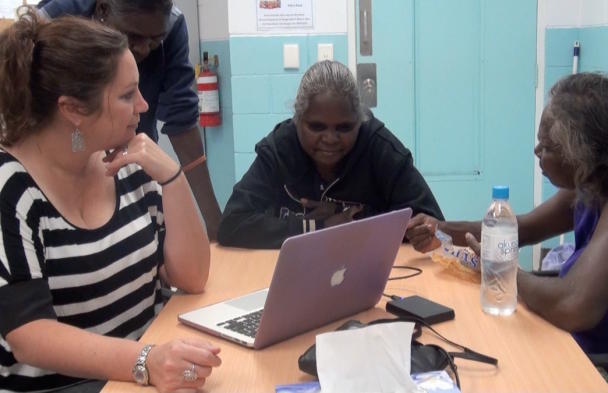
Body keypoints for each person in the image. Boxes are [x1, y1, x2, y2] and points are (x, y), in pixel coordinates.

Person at [405, 72, 608, 386]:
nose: (536, 152)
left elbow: (571, 306)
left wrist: (501, 271)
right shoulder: (598, 180)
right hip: (585, 347)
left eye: (547, 146)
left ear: (583, 153)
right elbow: (521, 229)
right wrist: (442, 228)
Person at [0, 9, 220, 393]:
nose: (143, 106)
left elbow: (192, 277)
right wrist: (144, 361)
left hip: (136, 378)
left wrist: (172, 177)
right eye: (126, 95)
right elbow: (28, 335)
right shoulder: (11, 188)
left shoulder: (126, 162)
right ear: (73, 110)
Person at [37, 0, 222, 239]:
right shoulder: (56, 20)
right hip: (62, 159)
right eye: (133, 38)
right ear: (102, 11)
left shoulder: (171, 23)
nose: (144, 50)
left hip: (127, 162)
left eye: (155, 40)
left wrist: (214, 223)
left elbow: (182, 115)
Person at [218, 60, 444, 249]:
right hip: (294, 272)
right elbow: (232, 223)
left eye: (344, 128)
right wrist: (320, 229)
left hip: (370, 271)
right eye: (316, 127)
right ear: (297, 120)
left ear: (359, 121)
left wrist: (349, 221)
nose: (330, 139)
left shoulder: (379, 146)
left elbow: (428, 223)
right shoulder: (280, 148)